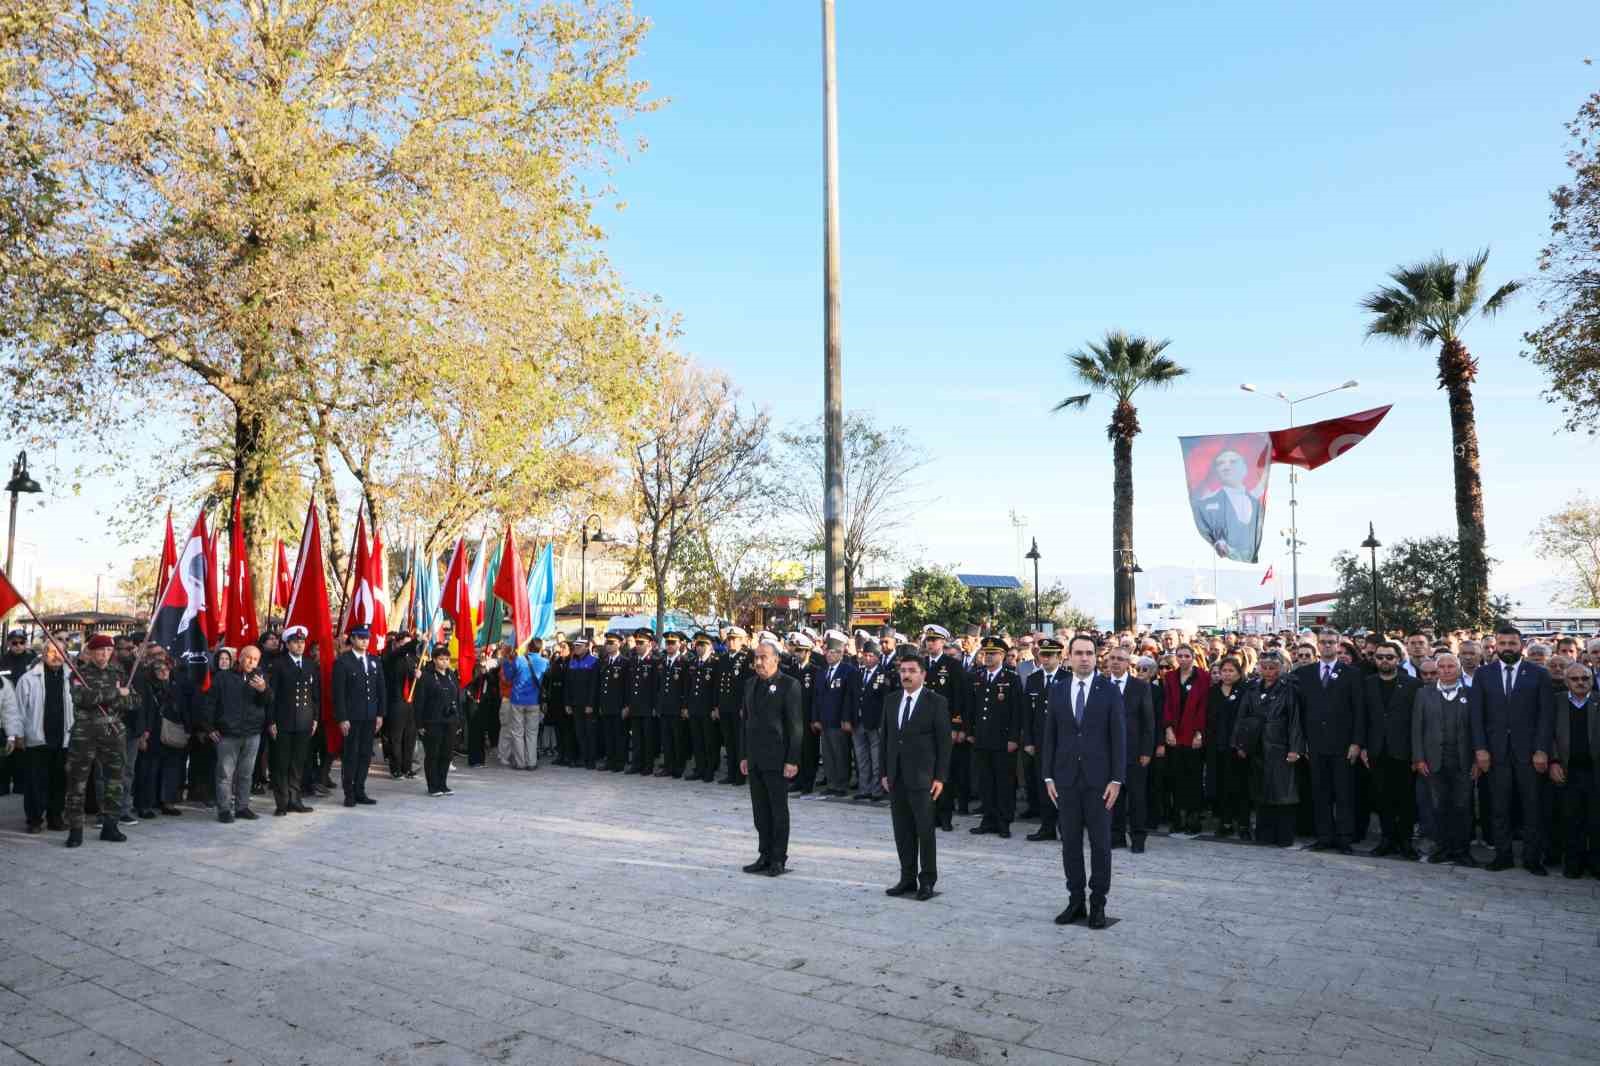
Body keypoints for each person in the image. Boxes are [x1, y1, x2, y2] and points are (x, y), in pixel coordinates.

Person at [1043, 634, 1126, 929]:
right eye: (1078, 653)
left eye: (1089, 653)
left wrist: (1117, 779)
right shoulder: (1059, 689)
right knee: (1070, 845)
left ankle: (1098, 903)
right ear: (1069, 656)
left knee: (1101, 845)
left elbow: (1118, 737)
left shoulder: (1109, 690)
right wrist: (1048, 775)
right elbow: (1050, 735)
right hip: (1065, 780)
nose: (1084, 658)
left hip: (1099, 782)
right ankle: (1075, 899)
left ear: (1096, 657)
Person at [1471, 624, 1554, 875]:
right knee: (1499, 807)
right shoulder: (1483, 674)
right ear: (1496, 645)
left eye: (1512, 644)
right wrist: (1481, 749)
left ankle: (1531, 858)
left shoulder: (1539, 674)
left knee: (1532, 807)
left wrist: (1541, 750)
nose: (1507, 648)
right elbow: (1477, 716)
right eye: (1503, 643)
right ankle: (1503, 855)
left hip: (1529, 753)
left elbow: (1545, 717)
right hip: (1495, 754)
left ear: (1522, 646)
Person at [882, 656, 952, 900]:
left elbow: (944, 743)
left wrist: (940, 777)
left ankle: (928, 880)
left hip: (923, 777)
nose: (906, 675)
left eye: (912, 671)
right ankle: (907, 877)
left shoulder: (936, 702)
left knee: (924, 831)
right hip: (897, 776)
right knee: (902, 830)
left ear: (923, 674)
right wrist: (884, 772)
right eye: (902, 671)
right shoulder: (891, 701)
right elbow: (886, 740)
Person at [1293, 628, 1364, 854]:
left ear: (1338, 645)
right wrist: (1301, 742)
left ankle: (1344, 837)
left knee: (1344, 792)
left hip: (1343, 744)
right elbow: (1300, 713)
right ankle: (1324, 836)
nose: (1326, 646)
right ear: (1317, 645)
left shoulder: (1351, 673)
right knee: (1320, 792)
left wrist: (1356, 742)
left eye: (1331, 642)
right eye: (1323, 642)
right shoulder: (1305, 673)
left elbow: (1359, 711)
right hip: (1314, 744)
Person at [739, 640, 802, 877]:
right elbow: (745, 723)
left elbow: (795, 727)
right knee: (760, 811)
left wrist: (792, 760)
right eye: (756, 657)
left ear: (776, 659)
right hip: (755, 758)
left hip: (777, 759)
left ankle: (778, 858)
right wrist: (744, 755)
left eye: (763, 657)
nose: (758, 662)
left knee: (778, 810)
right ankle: (764, 854)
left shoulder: (789, 685)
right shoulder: (750, 684)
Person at [63, 633, 131, 847]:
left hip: (113, 732)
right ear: (91, 652)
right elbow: (82, 698)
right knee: (77, 782)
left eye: (109, 650)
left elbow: (133, 700)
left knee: (115, 781)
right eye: (100, 650)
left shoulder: (118, 672)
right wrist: (115, 693)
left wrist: (121, 696)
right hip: (85, 733)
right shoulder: (79, 673)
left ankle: (110, 825)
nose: (104, 654)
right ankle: (75, 829)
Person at [1232, 650, 1303, 847]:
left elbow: (1295, 720)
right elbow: (1241, 717)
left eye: (1273, 667)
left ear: (1281, 668)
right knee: (1260, 790)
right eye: (1264, 667)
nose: (1268, 671)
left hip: (1280, 745)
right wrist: (1240, 743)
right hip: (1256, 745)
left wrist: (1295, 748)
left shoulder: (1289, 688)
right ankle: (1264, 833)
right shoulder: (1252, 687)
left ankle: (1284, 835)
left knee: (1283, 792)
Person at [1412, 653, 1476, 865]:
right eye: (1443, 667)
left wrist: (1477, 760)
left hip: (1463, 761)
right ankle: (1441, 848)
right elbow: (1417, 729)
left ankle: (1462, 851)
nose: (1447, 670)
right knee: (1438, 807)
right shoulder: (1424, 694)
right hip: (1433, 761)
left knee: (1463, 807)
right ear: (1436, 670)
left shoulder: (1471, 693)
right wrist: (1419, 758)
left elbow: (1477, 730)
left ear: (1458, 669)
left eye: (1451, 666)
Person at [4, 638, 71, 834]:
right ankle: (34, 819)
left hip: (63, 739)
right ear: (43, 654)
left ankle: (55, 817)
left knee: (59, 781)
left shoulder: (72, 678)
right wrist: (18, 734)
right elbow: (17, 710)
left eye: (60, 651)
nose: (56, 655)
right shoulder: (29, 678)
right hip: (36, 738)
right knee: (35, 783)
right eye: (51, 651)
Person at [1362, 641, 1421, 859]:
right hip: (1376, 750)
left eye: (1389, 657)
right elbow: (1362, 718)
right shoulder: (1367, 683)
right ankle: (1386, 839)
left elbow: (1417, 722)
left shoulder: (1413, 684)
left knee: (1405, 798)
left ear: (1398, 659)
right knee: (1382, 797)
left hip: (1404, 751)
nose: (1384, 661)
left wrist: (1417, 753)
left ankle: (1405, 841)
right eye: (1380, 657)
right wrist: (1363, 746)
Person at [205, 646, 270, 822]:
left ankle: (242, 807)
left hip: (252, 733)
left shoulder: (260, 677)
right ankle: (224, 809)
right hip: (228, 733)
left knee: (246, 773)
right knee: (225, 774)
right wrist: (209, 727)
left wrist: (263, 690)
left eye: (255, 659)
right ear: (239, 658)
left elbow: (267, 703)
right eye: (248, 658)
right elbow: (210, 703)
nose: (251, 662)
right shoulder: (223, 677)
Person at [966, 636, 1021, 837]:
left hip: (1003, 740)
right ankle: (988, 819)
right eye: (986, 653)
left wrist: (1014, 738)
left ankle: (1003, 821)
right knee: (985, 781)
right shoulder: (977, 677)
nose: (988, 657)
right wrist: (970, 732)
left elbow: (1017, 711)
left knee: (1004, 782)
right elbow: (971, 708)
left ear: (1003, 655)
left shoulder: (1011, 678)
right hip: (981, 738)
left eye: (993, 654)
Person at [1550, 660, 1599, 878]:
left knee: (1596, 820)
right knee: (1570, 819)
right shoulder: (1556, 702)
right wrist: (1553, 761)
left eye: (1585, 678)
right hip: (1567, 771)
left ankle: (1596, 864)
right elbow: (1547, 734)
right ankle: (1573, 864)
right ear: (1566, 681)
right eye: (1575, 678)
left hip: (1595, 772)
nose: (1581, 682)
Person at [268, 626, 320, 816]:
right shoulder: (279, 664)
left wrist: (315, 718)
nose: (300, 645)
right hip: (284, 721)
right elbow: (272, 696)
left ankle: (295, 799)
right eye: (296, 642)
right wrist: (271, 721)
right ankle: (281, 803)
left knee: (298, 763)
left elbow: (315, 695)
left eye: (302, 642)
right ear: (288, 644)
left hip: (304, 721)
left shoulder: (309, 664)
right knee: (282, 763)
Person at [332, 625, 386, 807]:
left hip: (370, 715)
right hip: (352, 716)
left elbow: (381, 689)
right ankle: (349, 793)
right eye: (361, 638)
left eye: (367, 638)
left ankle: (360, 790)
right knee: (351, 755)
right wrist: (342, 717)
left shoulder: (374, 660)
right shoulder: (343, 662)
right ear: (353, 639)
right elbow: (338, 693)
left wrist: (380, 714)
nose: (365, 641)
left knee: (364, 754)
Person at [1108, 648, 1155, 851]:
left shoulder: (1140, 686)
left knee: (1136, 798)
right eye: (1112, 658)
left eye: (1121, 659)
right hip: (1107, 753)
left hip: (1134, 752)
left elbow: (1148, 722)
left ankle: (1138, 838)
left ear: (1128, 663)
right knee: (1112, 798)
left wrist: (1146, 751)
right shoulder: (1100, 685)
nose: (1116, 662)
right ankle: (1115, 837)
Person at [1162, 645, 1210, 835]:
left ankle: (1193, 819)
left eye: (1186, 656)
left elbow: (1204, 706)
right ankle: (1177, 818)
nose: (1183, 659)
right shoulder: (1170, 677)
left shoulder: (1203, 677)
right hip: (1175, 734)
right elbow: (1167, 704)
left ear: (1193, 657)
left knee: (1194, 779)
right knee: (1176, 778)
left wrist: (1199, 733)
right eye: (1179, 656)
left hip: (1193, 734)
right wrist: (1168, 729)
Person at [1022, 638, 1067, 842]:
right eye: (1043, 655)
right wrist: (1029, 741)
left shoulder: (1068, 678)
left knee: (1065, 785)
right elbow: (1027, 715)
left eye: (1050, 655)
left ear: (1059, 657)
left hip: (1064, 741)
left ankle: (1066, 827)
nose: (1046, 658)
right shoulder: (1033, 679)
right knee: (1043, 785)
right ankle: (1047, 826)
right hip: (1041, 741)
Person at [1192, 448, 1265, 562]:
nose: (1226, 467)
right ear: (1216, 471)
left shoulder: (1257, 505)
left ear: (1244, 468)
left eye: (1233, 462)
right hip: (1223, 564)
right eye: (1220, 463)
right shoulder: (1206, 504)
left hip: (1253, 563)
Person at [812, 634, 859, 797]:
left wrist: (846, 719)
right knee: (828, 754)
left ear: (840, 653)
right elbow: (816, 697)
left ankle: (842, 784)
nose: (829, 655)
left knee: (841, 754)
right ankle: (832, 783)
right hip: (824, 720)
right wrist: (815, 718)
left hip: (839, 720)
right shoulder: (822, 672)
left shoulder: (848, 671)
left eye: (833, 652)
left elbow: (849, 697)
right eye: (827, 652)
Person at [847, 640, 892, 801]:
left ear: (878, 658)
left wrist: (882, 723)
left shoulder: (884, 675)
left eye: (871, 655)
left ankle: (876, 790)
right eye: (865, 655)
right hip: (858, 722)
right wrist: (848, 718)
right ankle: (864, 788)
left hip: (874, 723)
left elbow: (885, 701)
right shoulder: (858, 673)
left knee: (876, 759)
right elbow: (851, 697)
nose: (867, 658)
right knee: (861, 758)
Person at [414, 645, 460, 796]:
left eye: (447, 659)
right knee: (433, 754)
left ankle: (443, 783)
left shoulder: (451, 675)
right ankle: (432, 785)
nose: (445, 662)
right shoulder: (427, 677)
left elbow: (457, 698)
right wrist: (419, 724)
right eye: (441, 659)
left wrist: (458, 720)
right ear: (434, 660)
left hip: (450, 721)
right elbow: (419, 701)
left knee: (446, 754)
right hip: (433, 721)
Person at [501, 638, 547, 771]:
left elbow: (509, 677)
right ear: (540, 648)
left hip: (518, 700)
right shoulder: (545, 662)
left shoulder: (520, 660)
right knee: (532, 733)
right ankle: (531, 762)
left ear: (528, 647)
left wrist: (506, 662)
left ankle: (520, 762)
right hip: (534, 701)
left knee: (517, 732)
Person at [713, 627, 752, 786]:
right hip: (725, 706)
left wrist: (745, 706)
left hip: (738, 707)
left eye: (734, 639)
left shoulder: (746, 659)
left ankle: (740, 775)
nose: (731, 642)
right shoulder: (722, 659)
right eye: (729, 639)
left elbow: (748, 686)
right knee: (729, 741)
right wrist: (716, 705)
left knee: (739, 742)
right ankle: (730, 773)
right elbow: (717, 685)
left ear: (742, 640)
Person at [382, 632, 421, 779]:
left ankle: (407, 768)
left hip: (410, 702)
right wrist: (417, 640)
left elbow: (414, 679)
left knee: (410, 737)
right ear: (397, 643)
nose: (408, 646)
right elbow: (402, 651)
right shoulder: (391, 656)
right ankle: (396, 768)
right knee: (396, 737)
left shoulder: (412, 658)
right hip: (396, 701)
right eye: (405, 643)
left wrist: (417, 675)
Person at [652, 632, 688, 777]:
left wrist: (684, 707)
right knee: (666, 739)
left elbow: (686, 687)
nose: (670, 645)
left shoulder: (684, 662)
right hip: (664, 706)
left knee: (678, 739)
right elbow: (657, 686)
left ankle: (678, 767)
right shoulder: (661, 661)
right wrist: (657, 705)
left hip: (677, 707)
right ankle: (668, 765)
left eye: (673, 643)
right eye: (668, 643)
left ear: (680, 644)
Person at [685, 633, 719, 782]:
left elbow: (716, 688)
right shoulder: (692, 663)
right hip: (694, 708)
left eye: (703, 645)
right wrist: (685, 706)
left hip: (708, 709)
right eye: (698, 645)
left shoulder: (714, 663)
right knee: (697, 740)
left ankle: (709, 770)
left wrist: (715, 707)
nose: (699, 648)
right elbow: (687, 687)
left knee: (709, 741)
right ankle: (699, 768)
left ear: (710, 646)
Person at [565, 636, 599, 769]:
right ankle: (583, 758)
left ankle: (591, 760)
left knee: (590, 732)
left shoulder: (594, 661)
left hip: (587, 704)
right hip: (575, 703)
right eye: (575, 646)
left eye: (579, 646)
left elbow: (594, 686)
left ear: (587, 647)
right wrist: (567, 703)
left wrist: (590, 704)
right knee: (579, 732)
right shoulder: (572, 661)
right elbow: (568, 684)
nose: (576, 648)